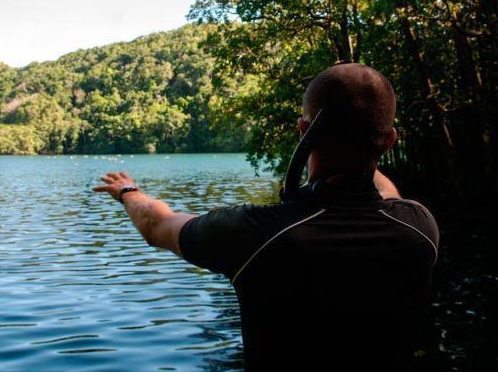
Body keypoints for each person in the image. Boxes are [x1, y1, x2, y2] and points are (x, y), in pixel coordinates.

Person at [92, 63, 439, 371]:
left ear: (303, 130)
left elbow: (156, 225)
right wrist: (363, 144)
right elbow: (389, 195)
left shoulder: (256, 233)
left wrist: (128, 191)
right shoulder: (419, 229)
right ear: (389, 141)